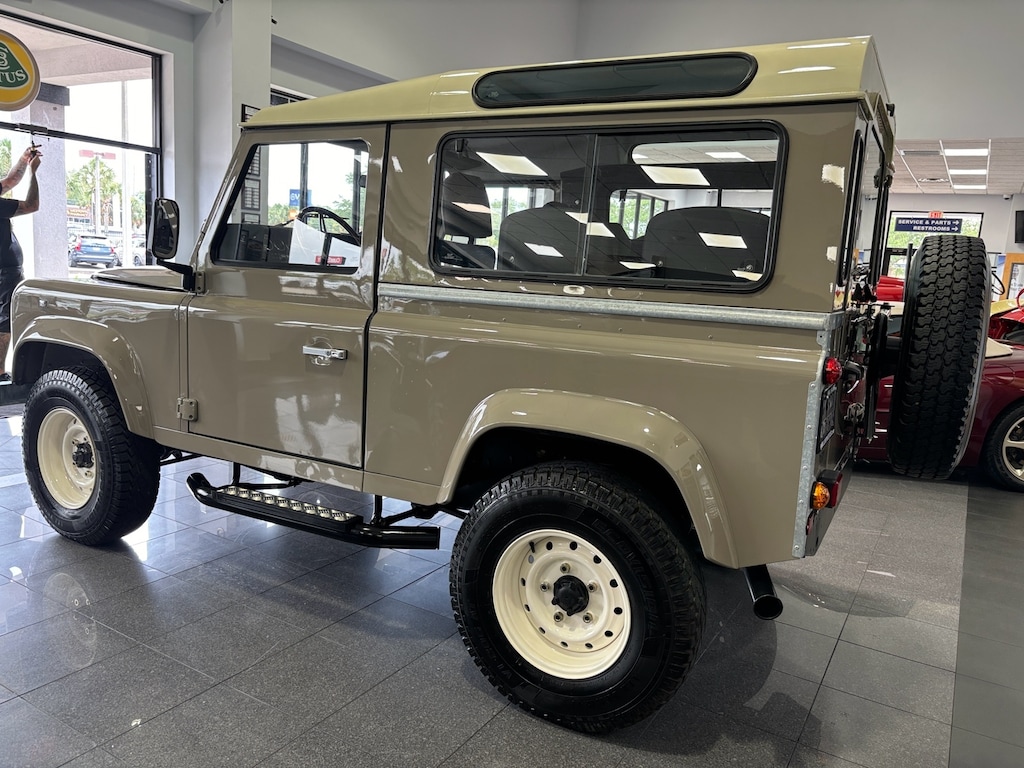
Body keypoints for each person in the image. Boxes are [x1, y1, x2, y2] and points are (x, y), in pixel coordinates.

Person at [0, 143, 41, 383]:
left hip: (5, 271)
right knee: (4, 322)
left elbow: (10, 181)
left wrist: (25, 160)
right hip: (5, 272)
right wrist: (34, 173)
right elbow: (31, 205)